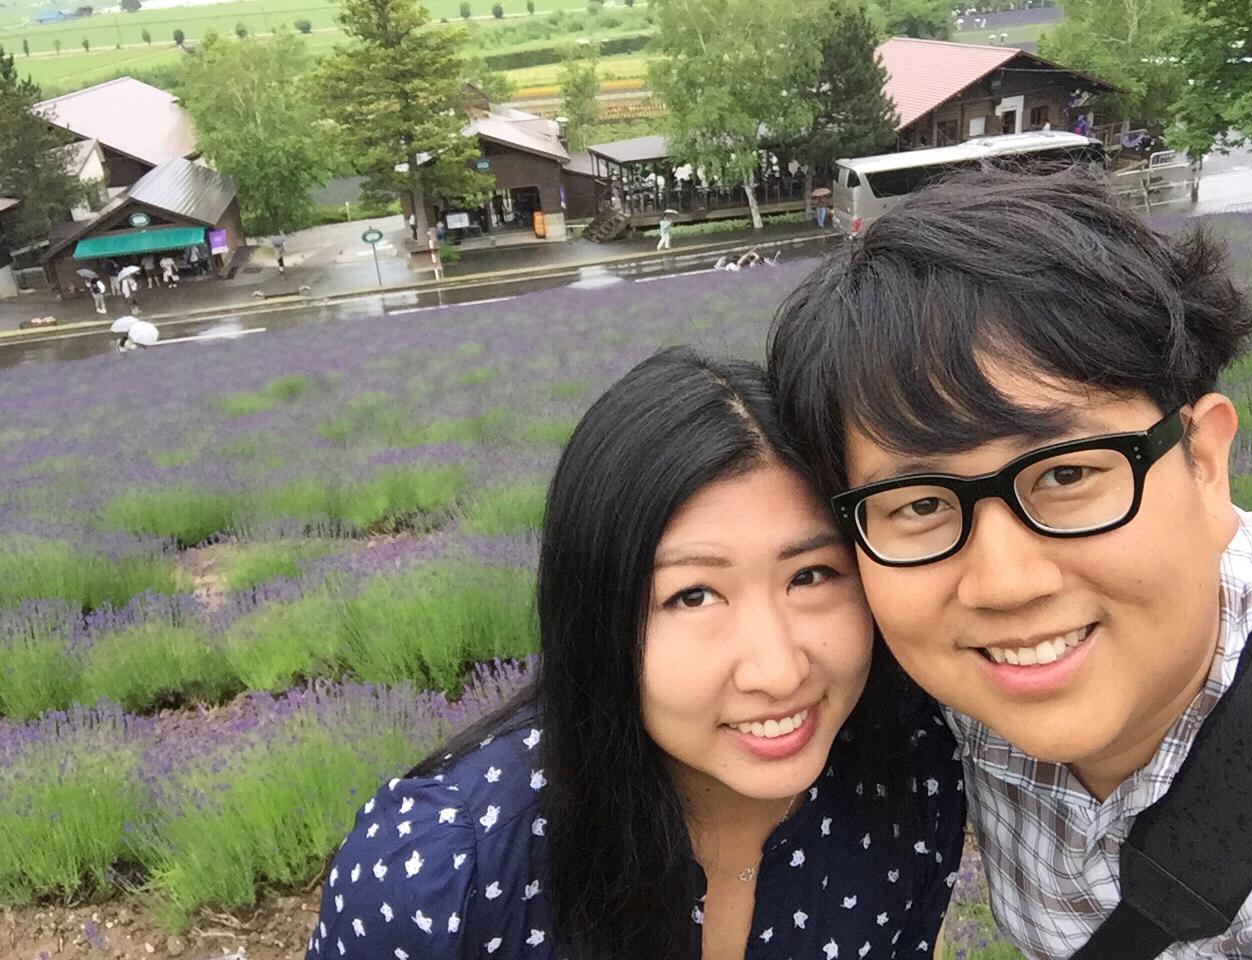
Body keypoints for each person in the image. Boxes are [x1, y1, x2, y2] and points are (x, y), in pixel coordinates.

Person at [768, 167, 1252, 957]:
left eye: (1068, 475)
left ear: (1204, 463)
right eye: (921, 504)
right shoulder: (919, 691)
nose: (1005, 584)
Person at [308, 348, 964, 960]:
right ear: (597, 616)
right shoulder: (442, 872)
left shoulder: (909, 773)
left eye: (812, 575)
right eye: (694, 595)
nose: (779, 670)